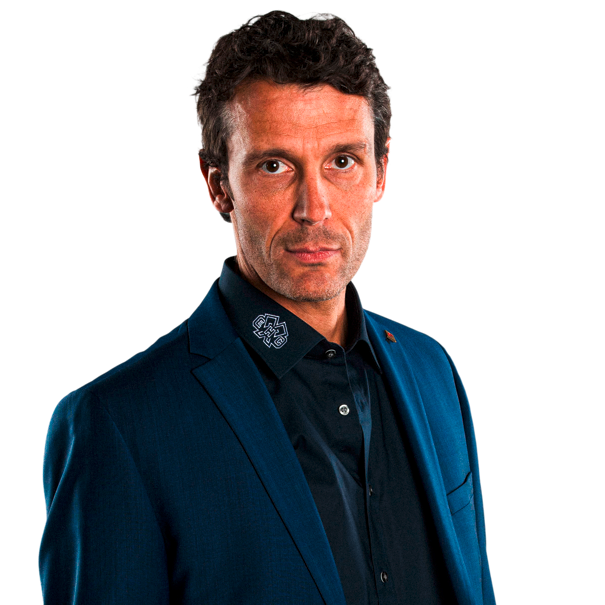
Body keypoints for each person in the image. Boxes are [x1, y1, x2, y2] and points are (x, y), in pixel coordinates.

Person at [39, 10, 495, 605]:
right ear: (217, 184)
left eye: (342, 161)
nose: (314, 209)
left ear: (382, 169)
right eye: (274, 166)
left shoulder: (433, 370)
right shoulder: (117, 424)